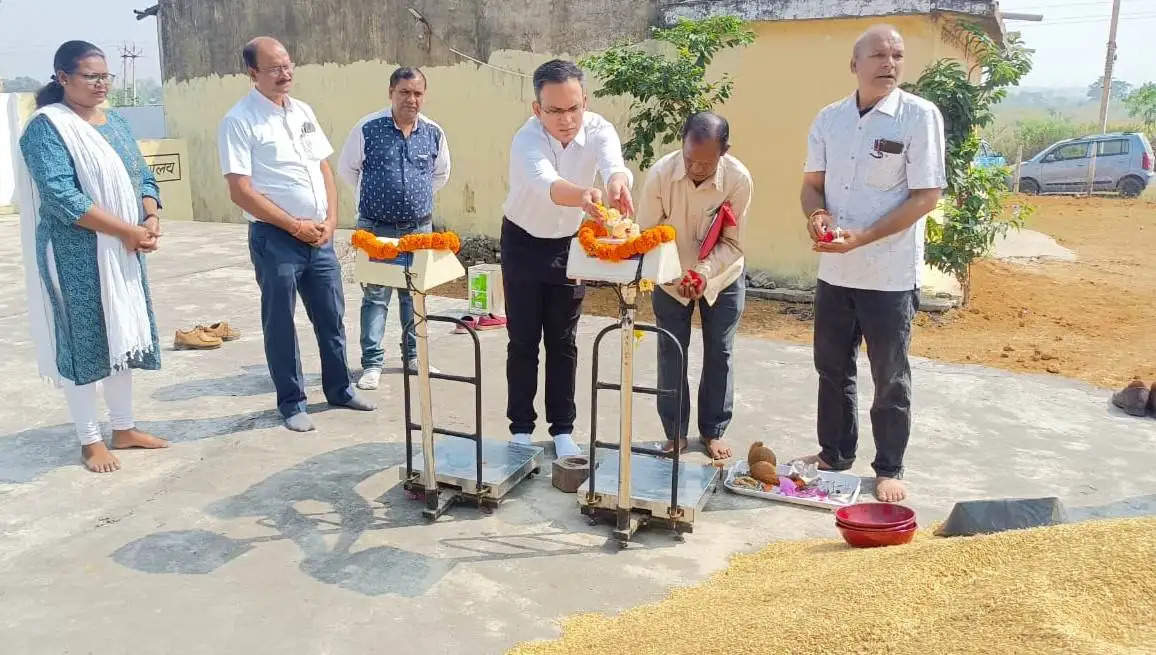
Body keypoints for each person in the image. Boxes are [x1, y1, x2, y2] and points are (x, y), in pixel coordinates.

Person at [797, 25, 946, 502]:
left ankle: (889, 467)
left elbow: (926, 196)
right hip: (835, 272)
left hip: (889, 273)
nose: (889, 63)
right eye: (878, 55)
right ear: (854, 65)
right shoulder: (829, 119)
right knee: (831, 367)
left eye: (898, 55)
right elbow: (811, 184)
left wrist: (862, 237)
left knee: (890, 375)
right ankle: (835, 453)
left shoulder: (918, 117)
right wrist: (817, 216)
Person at [18, 41, 169, 473]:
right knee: (82, 340)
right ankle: (89, 439)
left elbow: (143, 176)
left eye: (106, 76)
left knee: (122, 332)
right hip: (74, 254)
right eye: (91, 76)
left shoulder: (116, 122)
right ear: (63, 78)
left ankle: (123, 429)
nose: (101, 84)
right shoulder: (47, 127)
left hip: (123, 250)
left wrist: (151, 217)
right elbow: (62, 197)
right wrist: (129, 232)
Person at [219, 37, 375, 432]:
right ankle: (291, 403)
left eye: (287, 65)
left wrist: (332, 219)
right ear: (252, 73)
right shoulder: (239, 121)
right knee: (281, 323)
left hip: (319, 237)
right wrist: (294, 225)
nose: (284, 74)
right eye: (273, 68)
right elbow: (241, 190)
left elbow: (324, 169)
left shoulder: (302, 111)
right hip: (276, 240)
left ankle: (339, 388)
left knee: (331, 316)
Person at [502, 59, 634, 457]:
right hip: (523, 242)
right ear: (536, 109)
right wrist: (586, 196)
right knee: (523, 339)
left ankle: (562, 430)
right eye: (555, 110)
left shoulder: (599, 129)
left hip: (569, 244)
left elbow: (614, 167)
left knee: (563, 340)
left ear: (585, 102)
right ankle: (521, 430)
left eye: (573, 108)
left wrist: (616, 184)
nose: (566, 119)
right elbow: (548, 184)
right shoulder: (526, 140)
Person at [636, 112, 752, 463]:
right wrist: (675, 278)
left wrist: (701, 274)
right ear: (681, 141)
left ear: (725, 151)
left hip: (722, 277)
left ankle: (713, 431)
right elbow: (648, 235)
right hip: (670, 277)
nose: (696, 169)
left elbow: (733, 243)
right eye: (690, 159)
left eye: (705, 163)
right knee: (671, 352)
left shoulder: (738, 179)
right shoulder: (660, 175)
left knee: (720, 351)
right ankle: (674, 432)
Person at [337, 66, 451, 390]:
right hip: (376, 227)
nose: (411, 99)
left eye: (417, 93)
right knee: (375, 296)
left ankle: (414, 356)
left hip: (418, 228)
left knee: (413, 294)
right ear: (391, 93)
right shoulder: (368, 128)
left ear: (423, 96)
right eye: (404, 92)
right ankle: (372, 363)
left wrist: (413, 199)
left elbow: (440, 174)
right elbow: (348, 170)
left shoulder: (433, 133)